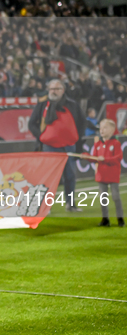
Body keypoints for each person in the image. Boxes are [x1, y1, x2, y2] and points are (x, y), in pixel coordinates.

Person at [28, 78, 85, 211]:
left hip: (69, 146)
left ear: (63, 90)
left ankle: (70, 204)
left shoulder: (72, 105)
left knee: (70, 175)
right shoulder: (42, 105)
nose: (53, 91)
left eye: (57, 89)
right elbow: (32, 124)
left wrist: (76, 137)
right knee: (49, 177)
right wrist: (41, 137)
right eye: (51, 89)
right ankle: (45, 207)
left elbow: (82, 122)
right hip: (50, 146)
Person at [88, 119, 124, 227]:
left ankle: (120, 219)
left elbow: (118, 158)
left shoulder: (116, 143)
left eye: (105, 128)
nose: (102, 130)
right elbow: (94, 158)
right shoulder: (98, 144)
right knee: (103, 199)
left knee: (116, 197)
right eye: (100, 128)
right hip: (101, 176)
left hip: (112, 176)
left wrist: (105, 159)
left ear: (112, 130)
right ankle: (105, 219)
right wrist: (86, 156)